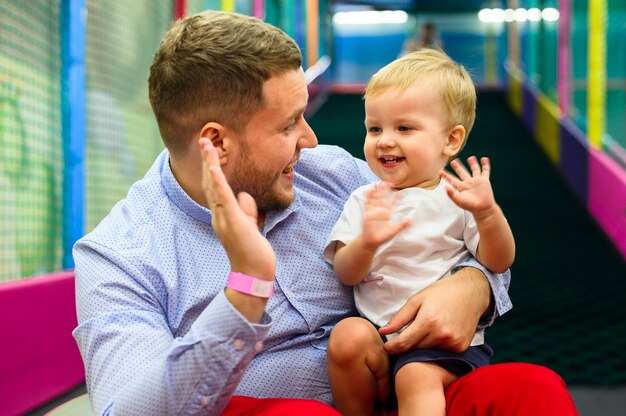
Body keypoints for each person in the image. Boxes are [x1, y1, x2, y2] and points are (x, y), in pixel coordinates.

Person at [72, 10, 578, 416]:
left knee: (532, 389)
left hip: (406, 391)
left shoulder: (331, 173)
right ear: (215, 142)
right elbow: (125, 409)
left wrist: (473, 286)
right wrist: (245, 289)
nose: (311, 140)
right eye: (291, 124)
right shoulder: (120, 254)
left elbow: (453, 230)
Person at [323, 49, 515, 416]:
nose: (385, 141)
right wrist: (366, 243)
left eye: (404, 128)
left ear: (451, 141)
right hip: (378, 333)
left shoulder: (458, 197)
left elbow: (499, 260)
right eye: (374, 128)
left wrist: (487, 214)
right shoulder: (365, 199)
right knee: (346, 338)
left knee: (414, 377)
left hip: (440, 344)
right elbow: (346, 273)